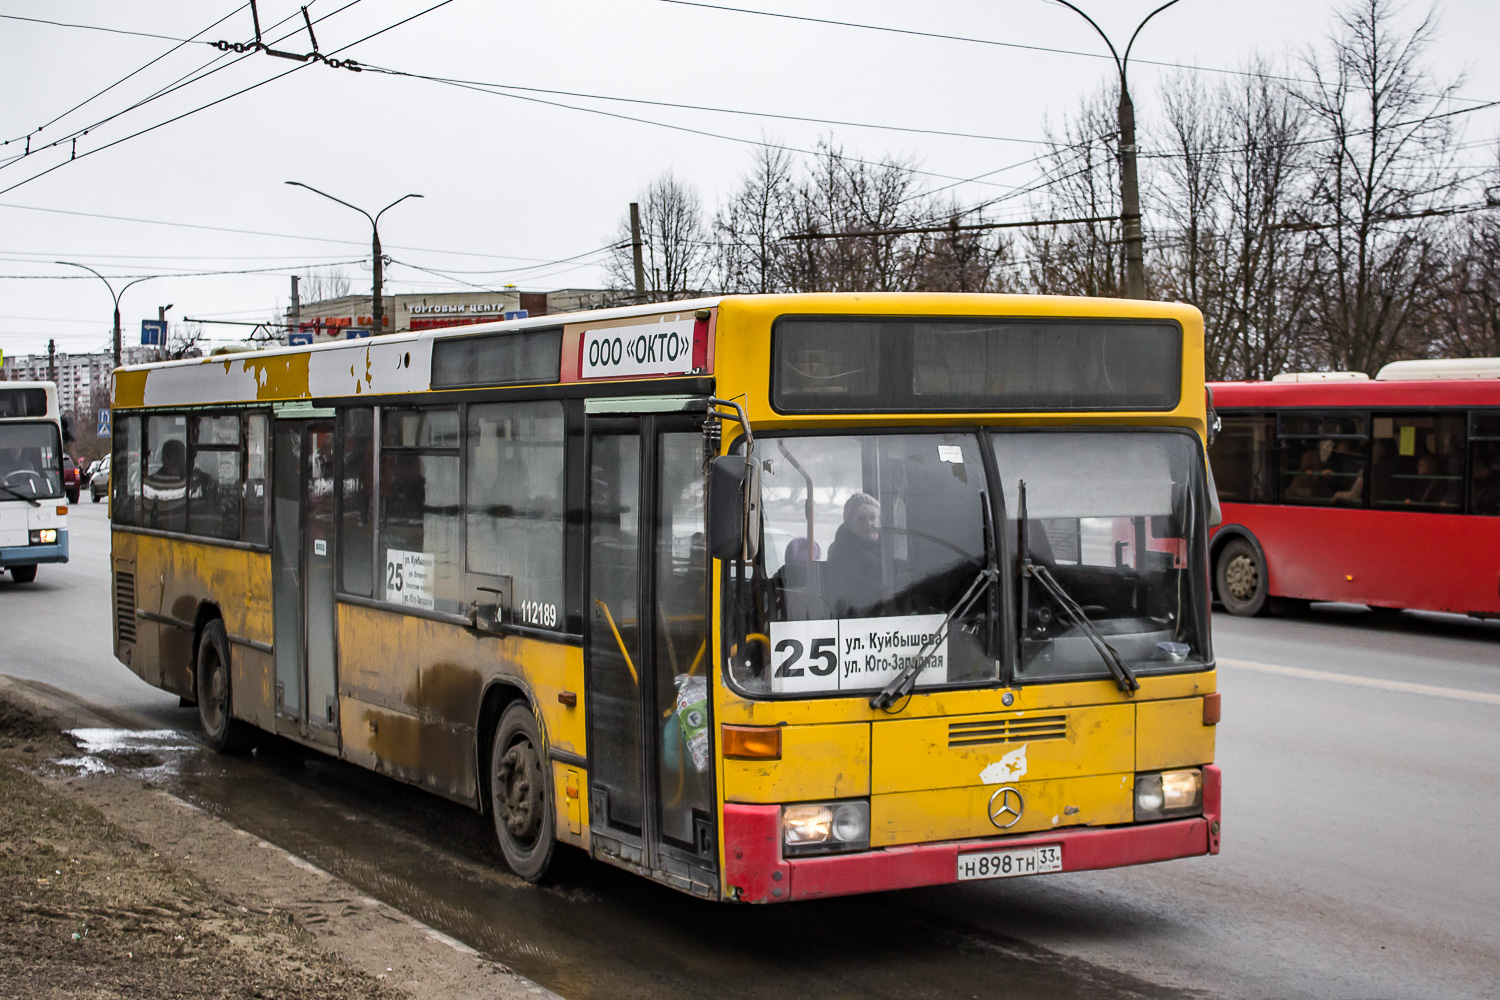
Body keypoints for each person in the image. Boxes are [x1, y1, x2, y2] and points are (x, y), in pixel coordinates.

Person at [825, 492, 882, 612]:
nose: (868, 523)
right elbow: (853, 585)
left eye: (872, 518)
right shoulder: (839, 550)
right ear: (849, 523)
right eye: (861, 519)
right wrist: (893, 591)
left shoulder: (889, 548)